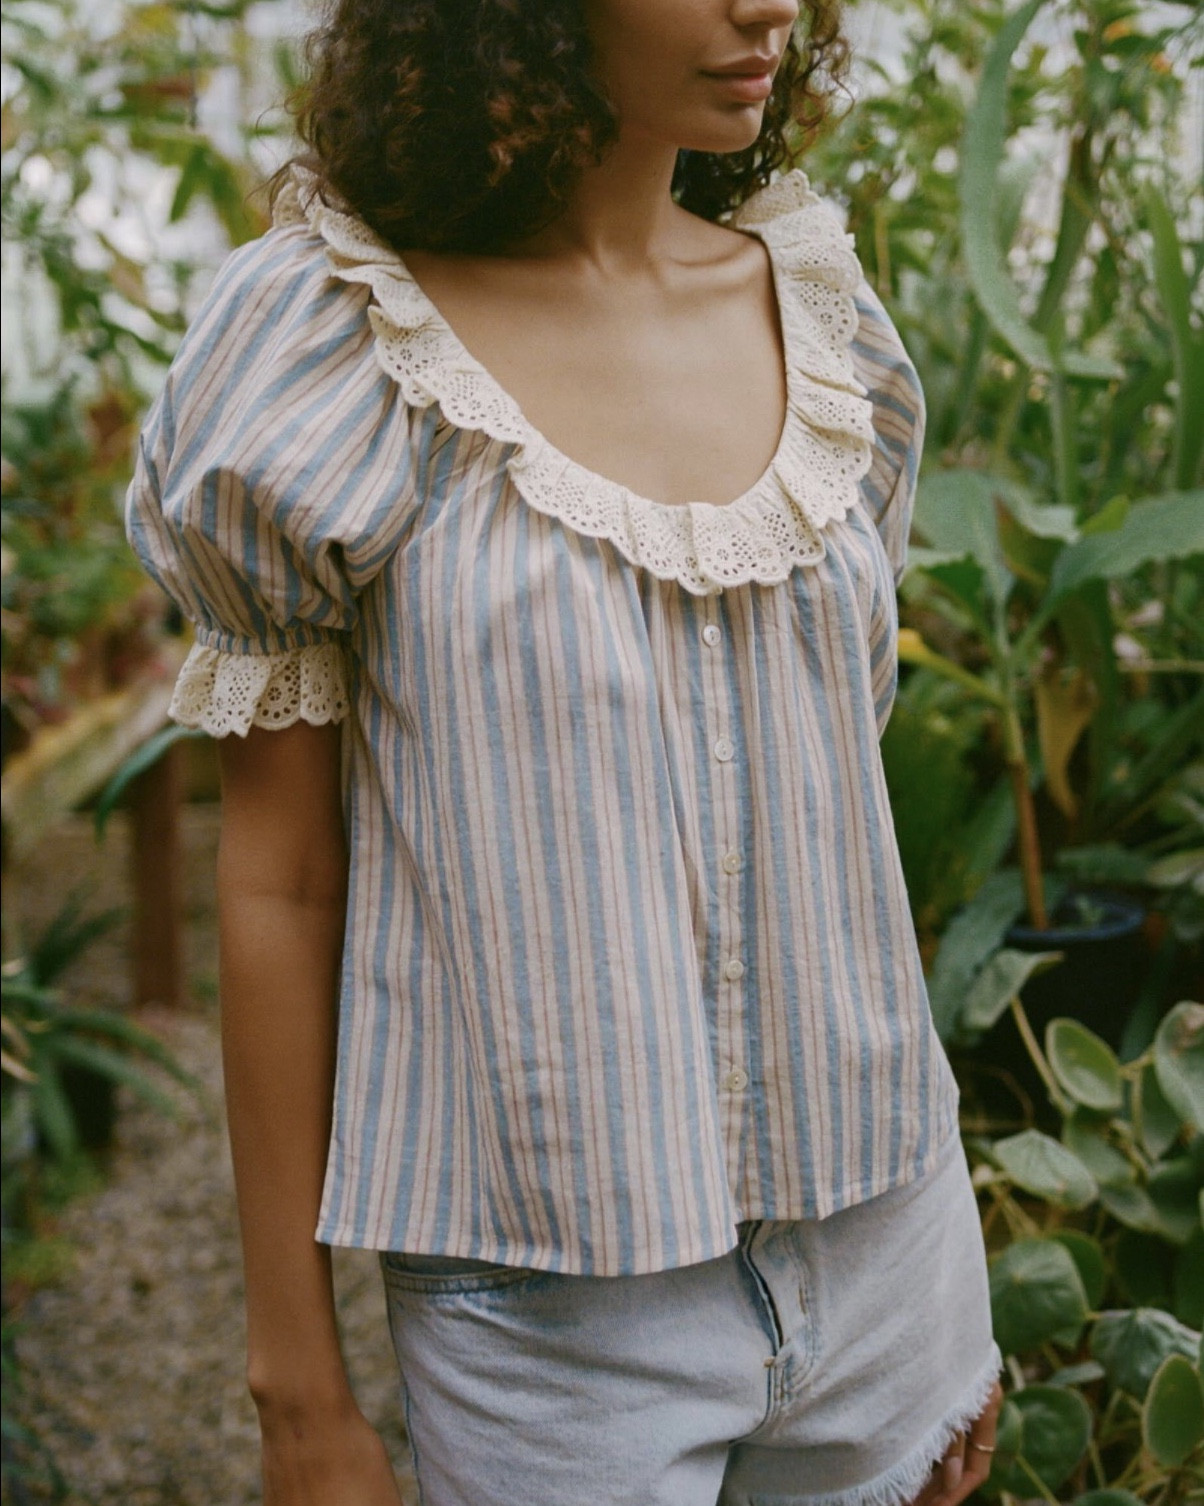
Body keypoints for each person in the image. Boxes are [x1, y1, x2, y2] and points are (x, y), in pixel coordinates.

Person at [126, 1, 1004, 1502]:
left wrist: (952, 1272)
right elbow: (279, 880)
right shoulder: (331, 347)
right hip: (550, 1322)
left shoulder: (826, 317)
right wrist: (299, 1385)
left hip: (889, 1261)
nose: (768, 8)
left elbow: (832, 813)